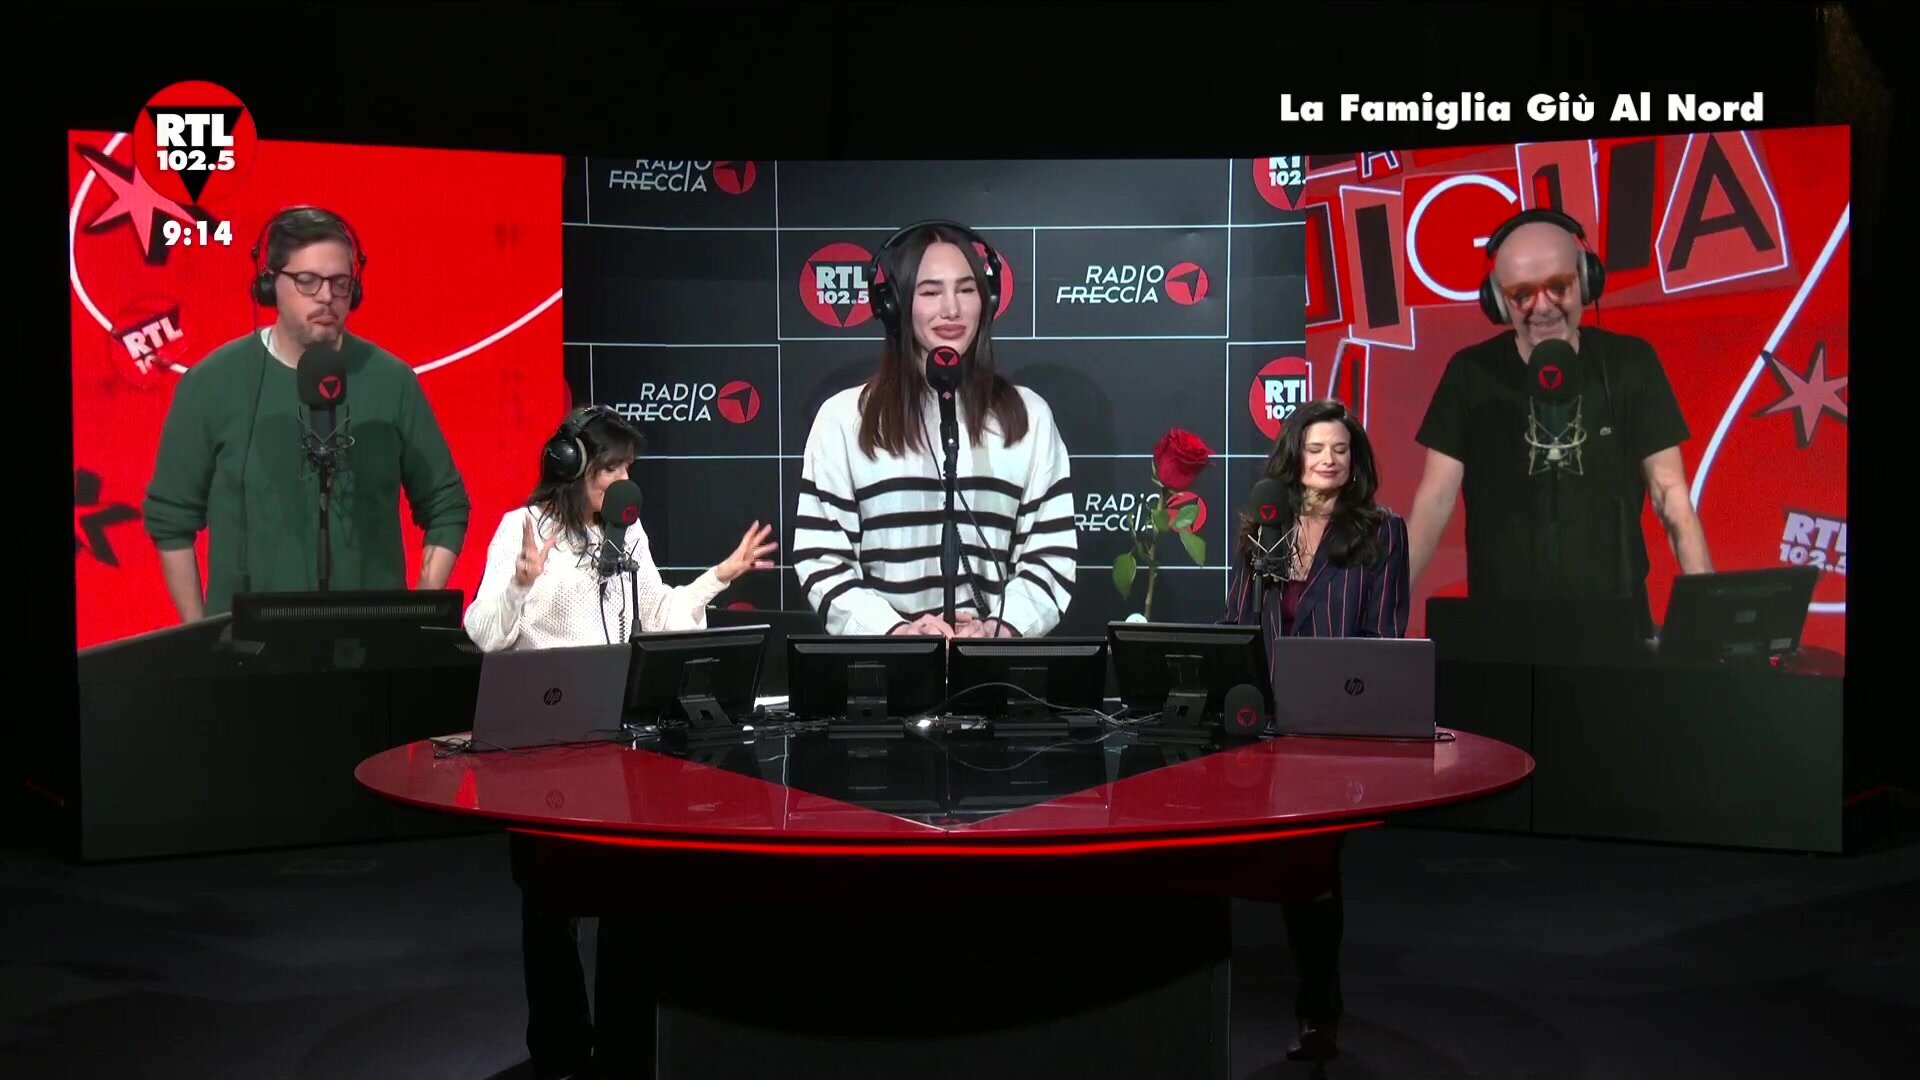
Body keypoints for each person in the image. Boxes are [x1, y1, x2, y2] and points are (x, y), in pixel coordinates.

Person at [465, 403, 777, 1079]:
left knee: (625, 900)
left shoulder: (627, 533)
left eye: (630, 467)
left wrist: (719, 576)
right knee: (550, 908)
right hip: (544, 749)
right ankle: (560, 1051)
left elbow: (658, 616)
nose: (624, 480)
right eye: (613, 468)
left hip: (618, 748)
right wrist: (519, 584)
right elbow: (485, 632)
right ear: (573, 466)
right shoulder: (522, 528)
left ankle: (621, 1051)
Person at [142, 205, 471, 620]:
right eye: (307, 281)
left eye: (339, 283)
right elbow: (171, 519)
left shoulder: (392, 381)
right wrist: (198, 638)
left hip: (370, 642)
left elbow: (446, 503)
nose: (326, 296)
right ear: (269, 284)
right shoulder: (212, 383)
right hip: (247, 648)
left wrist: (415, 611)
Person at [1406, 207, 1710, 638]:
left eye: (1558, 287)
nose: (1543, 306)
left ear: (1585, 280)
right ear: (1498, 301)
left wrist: (1710, 613)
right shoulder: (1470, 374)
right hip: (1503, 630)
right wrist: (1380, 611)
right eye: (1521, 295)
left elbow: (1670, 494)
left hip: (1616, 627)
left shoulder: (1630, 363)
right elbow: (1435, 501)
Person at [1223, 398, 1410, 1063]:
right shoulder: (1264, 527)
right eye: (1316, 448)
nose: (1329, 460)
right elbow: (1237, 626)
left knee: (1313, 870)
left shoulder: (1382, 531)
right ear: (1294, 458)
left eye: (1340, 449)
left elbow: (1385, 637)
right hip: (1262, 729)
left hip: (1332, 732)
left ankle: (1317, 1014)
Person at [793, 219, 1076, 638]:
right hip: (886, 667)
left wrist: (999, 629)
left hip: (991, 666)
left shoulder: (1029, 417)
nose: (952, 309)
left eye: (966, 289)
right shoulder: (843, 420)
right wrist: (896, 633)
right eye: (930, 292)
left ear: (987, 300)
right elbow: (823, 560)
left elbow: (1050, 556)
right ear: (894, 306)